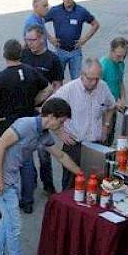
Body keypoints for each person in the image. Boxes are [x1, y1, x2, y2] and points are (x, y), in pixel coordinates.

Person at [0, 100, 81, 255]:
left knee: (6, 220)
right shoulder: (25, 125)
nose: (61, 126)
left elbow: (60, 156)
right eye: (61, 122)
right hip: (1, 181)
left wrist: (80, 173)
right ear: (51, 117)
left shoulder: (43, 134)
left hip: (11, 180)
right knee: (14, 225)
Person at [0, 39, 51, 216]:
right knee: (26, 163)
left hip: (7, 126)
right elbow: (48, 88)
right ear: (21, 53)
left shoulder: (1, 77)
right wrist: (34, 103)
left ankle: (4, 202)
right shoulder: (31, 71)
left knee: (4, 165)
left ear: (4, 55)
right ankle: (27, 202)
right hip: (28, 124)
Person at [49, 59, 116, 189]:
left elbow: (111, 105)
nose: (94, 82)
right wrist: (59, 132)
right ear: (82, 74)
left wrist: (106, 125)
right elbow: (47, 109)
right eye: (90, 79)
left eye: (97, 78)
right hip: (75, 146)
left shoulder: (103, 86)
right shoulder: (69, 90)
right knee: (71, 186)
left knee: (95, 185)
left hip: (96, 145)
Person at [21, 23, 65, 195]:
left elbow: (58, 86)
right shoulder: (24, 54)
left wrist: (49, 109)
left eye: (32, 40)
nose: (29, 43)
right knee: (25, 152)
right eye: (27, 39)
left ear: (42, 39)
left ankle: (48, 185)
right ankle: (29, 183)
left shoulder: (52, 59)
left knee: (44, 151)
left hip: (43, 113)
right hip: (25, 111)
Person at [44, 0, 101, 79]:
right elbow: (39, 22)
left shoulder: (81, 11)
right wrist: (50, 38)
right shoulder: (55, 11)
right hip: (60, 51)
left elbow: (95, 24)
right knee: (57, 79)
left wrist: (84, 40)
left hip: (75, 52)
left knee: (77, 81)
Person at [101, 37, 128, 145]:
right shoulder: (103, 66)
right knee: (104, 135)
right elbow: (98, 91)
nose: (121, 59)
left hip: (114, 105)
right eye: (119, 55)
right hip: (104, 109)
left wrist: (123, 98)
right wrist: (114, 103)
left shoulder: (120, 63)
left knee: (111, 133)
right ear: (111, 50)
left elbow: (120, 81)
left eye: (124, 56)